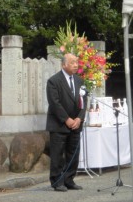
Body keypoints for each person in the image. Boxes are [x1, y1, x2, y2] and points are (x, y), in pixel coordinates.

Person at [46, 53, 87, 192]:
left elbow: (83, 102)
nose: (76, 65)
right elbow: (54, 103)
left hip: (76, 124)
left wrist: (79, 118)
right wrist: (67, 119)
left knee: (73, 154)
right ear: (64, 64)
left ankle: (69, 180)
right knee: (57, 155)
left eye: (77, 62)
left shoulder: (79, 81)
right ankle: (57, 181)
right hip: (59, 124)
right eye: (72, 62)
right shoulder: (53, 81)